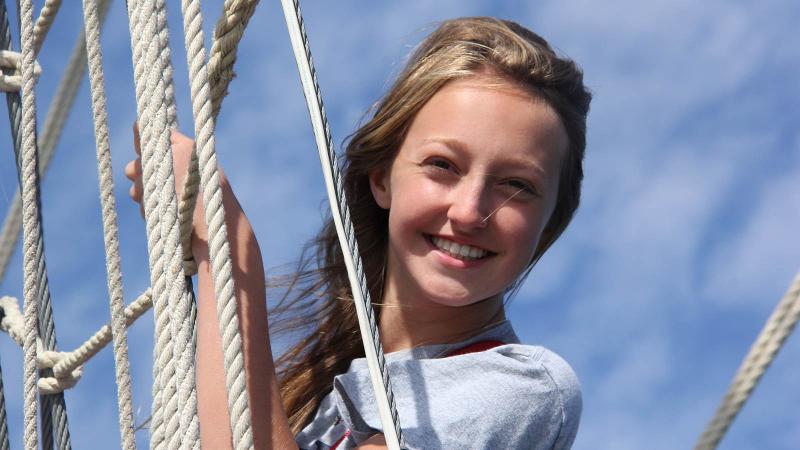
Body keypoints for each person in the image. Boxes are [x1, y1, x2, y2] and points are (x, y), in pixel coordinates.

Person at [126, 16, 590, 450]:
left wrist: (229, 245)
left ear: (549, 222)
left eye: (516, 186)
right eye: (442, 165)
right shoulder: (313, 400)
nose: (470, 212)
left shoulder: (524, 389)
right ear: (382, 178)